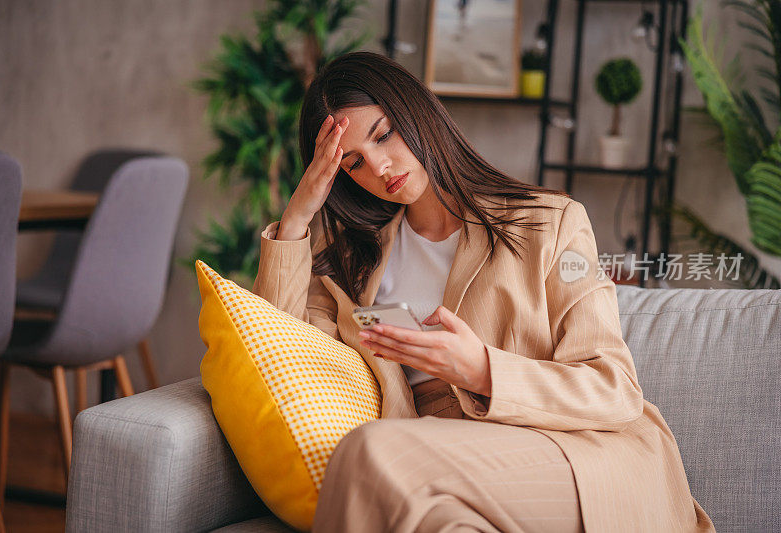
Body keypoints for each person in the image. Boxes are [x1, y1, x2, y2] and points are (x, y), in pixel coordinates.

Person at [252, 51, 715, 532]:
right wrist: (298, 218)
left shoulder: (550, 223)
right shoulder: (352, 264)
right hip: (440, 456)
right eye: (353, 163)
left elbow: (614, 389)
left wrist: (481, 370)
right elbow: (273, 346)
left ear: (415, 110)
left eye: (384, 134)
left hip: (572, 451)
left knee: (370, 449)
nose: (380, 166)